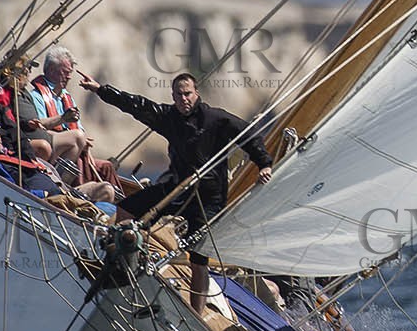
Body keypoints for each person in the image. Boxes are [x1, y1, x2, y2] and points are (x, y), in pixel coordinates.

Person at [80, 71, 273, 314]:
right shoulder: (169, 118)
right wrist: (101, 90)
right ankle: (125, 267)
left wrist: (264, 163)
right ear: (173, 96)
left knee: (198, 260)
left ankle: (196, 313)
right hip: (177, 188)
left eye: (188, 94)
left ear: (196, 93)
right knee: (126, 210)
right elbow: (136, 105)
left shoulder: (215, 119)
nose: (184, 99)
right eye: (179, 95)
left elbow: (248, 135)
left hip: (208, 198)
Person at [0, 115, 117, 209]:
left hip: (64, 194)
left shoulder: (11, 155)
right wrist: (43, 194)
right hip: (48, 204)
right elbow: (11, 194)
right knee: (103, 210)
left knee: (106, 190)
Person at [26, 44, 122, 189]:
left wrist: (85, 140)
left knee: (106, 167)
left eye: (70, 72)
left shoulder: (67, 98)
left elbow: (79, 128)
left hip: (75, 149)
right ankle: (64, 187)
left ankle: (117, 202)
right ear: (51, 70)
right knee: (80, 145)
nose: (69, 76)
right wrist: (73, 133)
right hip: (56, 151)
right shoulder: (36, 96)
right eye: (65, 72)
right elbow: (39, 127)